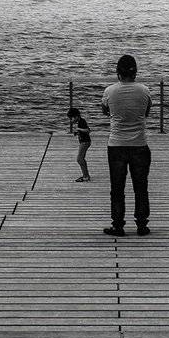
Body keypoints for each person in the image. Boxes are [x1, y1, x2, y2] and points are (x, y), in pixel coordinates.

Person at [101, 54, 152, 236]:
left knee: (117, 188)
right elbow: (146, 112)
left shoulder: (110, 91)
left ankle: (118, 225)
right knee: (141, 187)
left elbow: (105, 110)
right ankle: (142, 225)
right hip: (139, 145)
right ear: (135, 72)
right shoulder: (144, 90)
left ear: (118, 72)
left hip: (116, 145)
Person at [67, 107, 91, 182]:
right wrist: (77, 133)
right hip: (83, 142)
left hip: (85, 142)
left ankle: (86, 176)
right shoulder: (79, 122)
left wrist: (79, 129)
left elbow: (88, 130)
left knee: (79, 159)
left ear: (76, 116)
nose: (71, 120)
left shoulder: (82, 121)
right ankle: (86, 175)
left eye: (71, 118)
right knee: (81, 159)